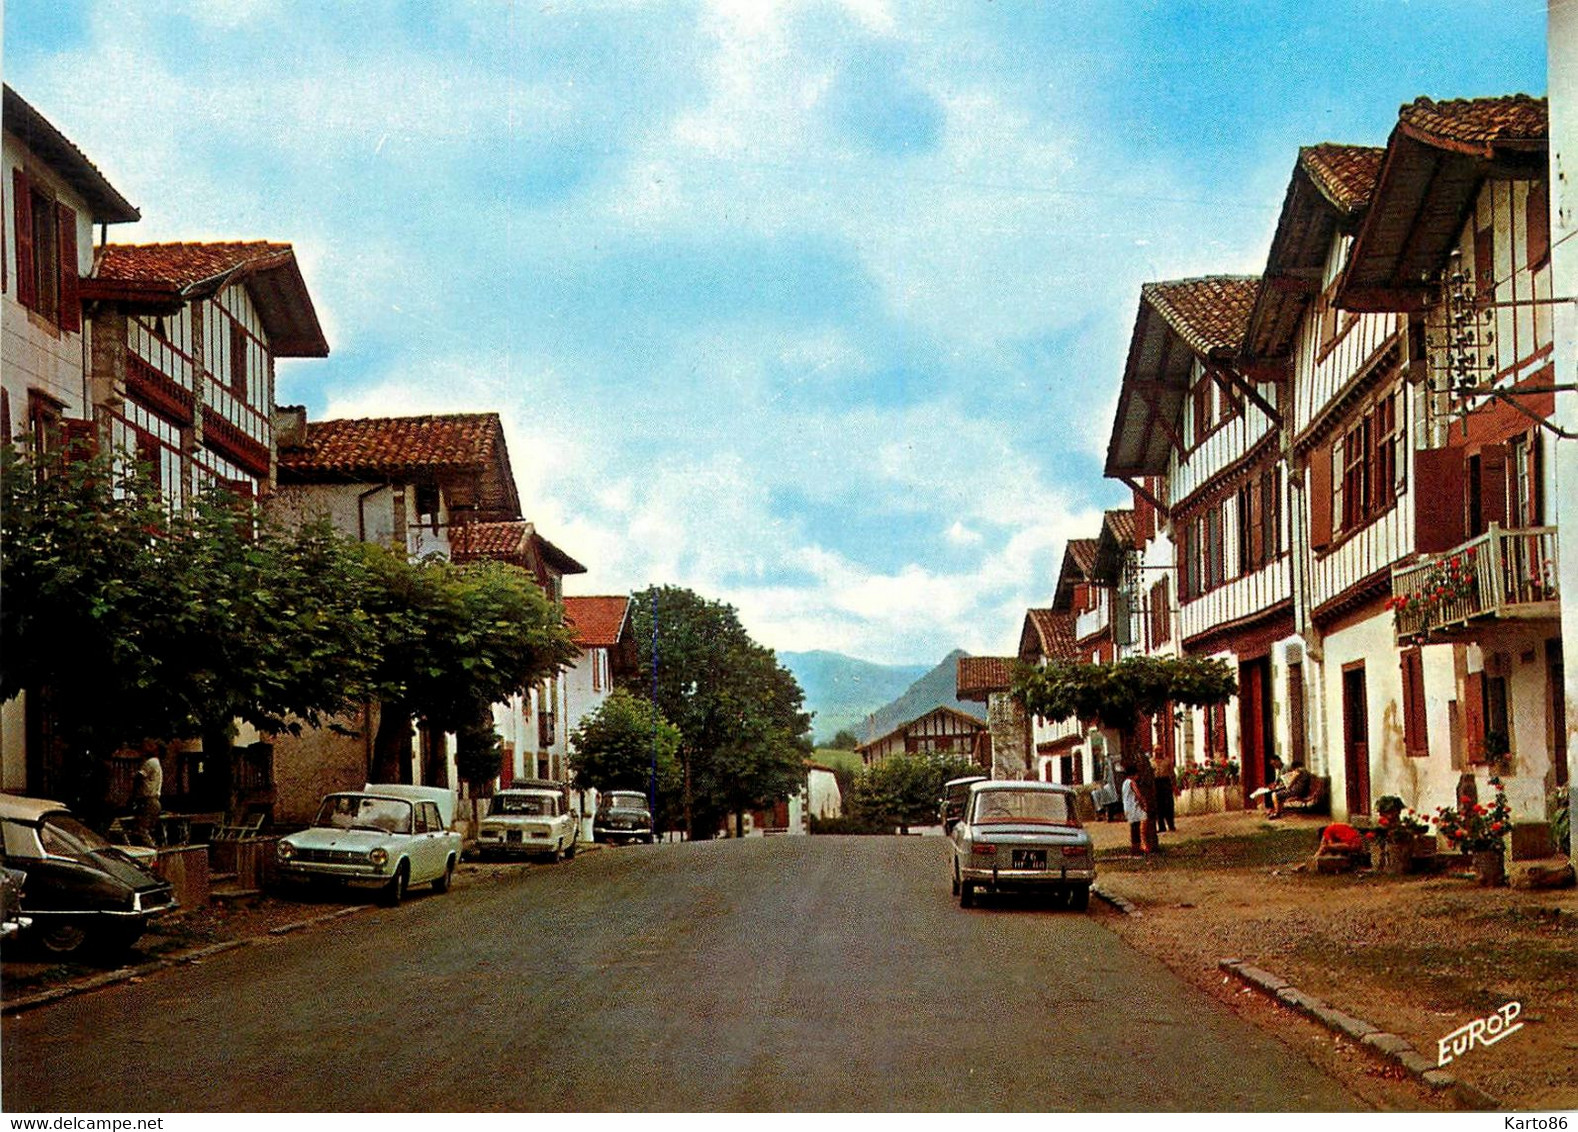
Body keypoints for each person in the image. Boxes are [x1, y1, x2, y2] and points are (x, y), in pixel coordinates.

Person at [129, 742, 164, 848]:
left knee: (142, 831)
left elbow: (139, 777)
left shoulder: (151, 762)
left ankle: (152, 851)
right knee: (146, 830)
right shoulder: (157, 764)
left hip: (148, 801)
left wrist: (133, 795)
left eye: (152, 746)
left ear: (157, 751)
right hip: (155, 801)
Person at [1121, 768, 1149, 855]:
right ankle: (1142, 842)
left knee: (1134, 826)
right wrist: (1144, 803)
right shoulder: (1131, 782)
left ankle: (1135, 847)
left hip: (1127, 807)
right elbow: (1138, 794)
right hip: (1133, 806)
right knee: (1144, 818)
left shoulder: (1124, 783)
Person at [1150, 749, 1177, 833]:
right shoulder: (1150, 762)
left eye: (1160, 750)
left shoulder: (1167, 761)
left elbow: (1172, 774)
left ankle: (1171, 825)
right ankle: (1161, 826)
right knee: (1158, 806)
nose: (1158, 752)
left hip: (1165, 783)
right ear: (1153, 751)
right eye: (1156, 750)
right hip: (1156, 783)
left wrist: (1174, 786)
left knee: (1168, 805)